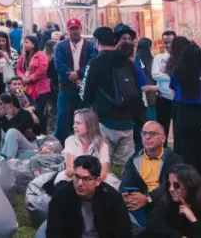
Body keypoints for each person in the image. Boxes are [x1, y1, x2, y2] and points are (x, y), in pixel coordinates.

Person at [81, 26, 140, 166]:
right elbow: (136, 91)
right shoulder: (128, 62)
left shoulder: (95, 63)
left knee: (101, 165)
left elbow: (84, 94)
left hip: (104, 122)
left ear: (96, 42)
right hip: (127, 122)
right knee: (125, 168)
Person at [169, 42, 201, 195]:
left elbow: (173, 91)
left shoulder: (178, 71)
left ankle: (189, 189)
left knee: (187, 155)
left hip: (183, 113)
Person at [45, 155, 131, 238]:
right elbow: (53, 232)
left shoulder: (112, 198)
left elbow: (123, 233)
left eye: (86, 179)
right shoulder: (61, 195)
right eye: (77, 177)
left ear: (97, 181)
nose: (79, 183)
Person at [119, 121, 182, 227]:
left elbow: (171, 186)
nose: (147, 137)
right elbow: (126, 184)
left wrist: (148, 198)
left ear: (163, 138)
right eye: (144, 133)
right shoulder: (134, 160)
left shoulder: (174, 159)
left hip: (164, 202)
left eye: (152, 133)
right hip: (139, 203)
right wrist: (127, 196)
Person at [147, 164, 201, 238]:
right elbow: (153, 228)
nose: (171, 189)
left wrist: (192, 219)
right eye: (168, 184)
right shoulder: (166, 203)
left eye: (176, 185)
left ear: (190, 185)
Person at [54, 18, 97, 143]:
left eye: (76, 28)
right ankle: (62, 144)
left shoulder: (90, 45)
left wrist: (78, 74)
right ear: (68, 30)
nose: (74, 31)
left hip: (83, 87)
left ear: (80, 29)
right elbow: (58, 64)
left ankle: (85, 142)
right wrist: (69, 74)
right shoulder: (61, 46)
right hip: (65, 87)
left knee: (84, 117)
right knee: (63, 117)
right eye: (72, 29)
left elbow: (92, 62)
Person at [56, 108, 111, 186]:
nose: (74, 126)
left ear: (89, 125)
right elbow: (70, 168)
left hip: (94, 180)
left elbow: (103, 171)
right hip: (74, 177)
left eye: (78, 123)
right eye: (74, 122)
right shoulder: (70, 141)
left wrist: (90, 182)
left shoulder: (102, 144)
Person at [18, 34, 52, 133]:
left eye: (27, 42)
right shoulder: (23, 55)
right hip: (27, 88)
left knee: (40, 111)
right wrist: (22, 77)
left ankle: (41, 132)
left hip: (41, 88)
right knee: (29, 110)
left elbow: (42, 70)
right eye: (24, 42)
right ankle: (32, 132)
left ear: (33, 44)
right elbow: (18, 68)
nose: (24, 44)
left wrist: (30, 78)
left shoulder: (41, 55)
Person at [0, 92, 40, 160]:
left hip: (28, 144)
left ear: (11, 104)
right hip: (15, 149)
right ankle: (5, 158)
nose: (3, 109)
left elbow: (18, 131)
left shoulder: (25, 114)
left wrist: (11, 118)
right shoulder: (4, 118)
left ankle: (8, 160)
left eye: (4, 106)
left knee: (12, 132)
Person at [151, 30, 177, 140]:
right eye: (165, 42)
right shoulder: (159, 58)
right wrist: (172, 76)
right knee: (162, 128)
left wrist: (165, 73)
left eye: (170, 42)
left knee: (178, 128)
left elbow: (181, 76)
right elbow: (155, 75)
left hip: (178, 98)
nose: (168, 45)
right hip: (163, 97)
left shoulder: (180, 58)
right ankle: (163, 151)